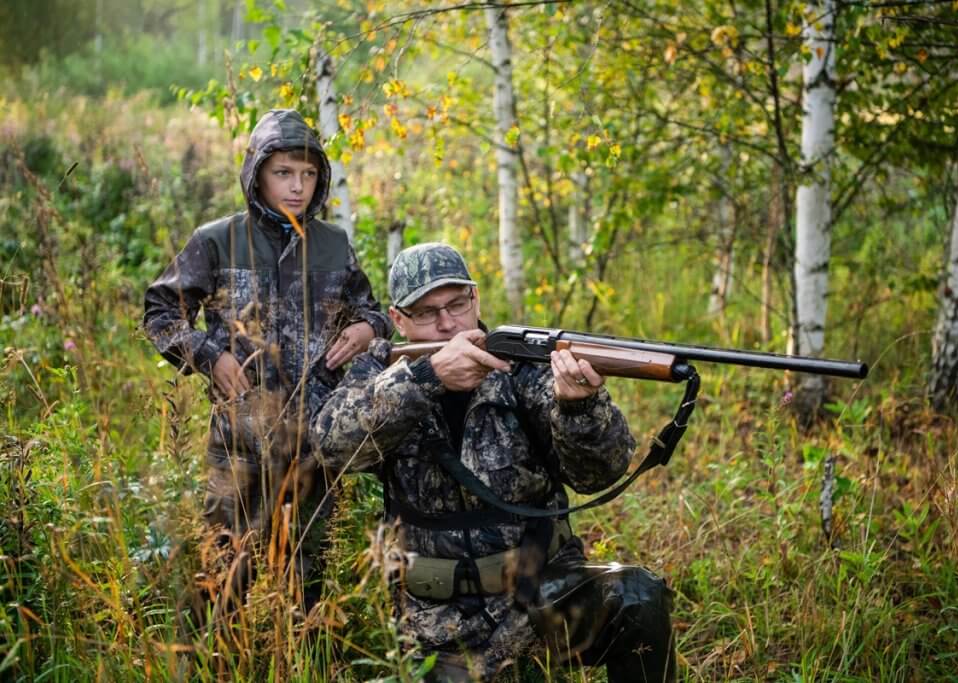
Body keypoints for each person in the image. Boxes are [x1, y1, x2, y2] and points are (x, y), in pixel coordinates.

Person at [312, 242, 676, 681]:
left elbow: (601, 473)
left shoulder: (524, 366)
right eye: (426, 313)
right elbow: (330, 444)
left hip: (543, 598)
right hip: (436, 624)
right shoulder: (381, 372)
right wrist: (427, 379)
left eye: (457, 304)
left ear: (476, 298)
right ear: (398, 321)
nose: (448, 323)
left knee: (638, 596)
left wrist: (579, 408)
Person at [143, 109, 392, 623]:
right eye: (283, 173)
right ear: (256, 173)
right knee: (221, 578)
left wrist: (367, 328)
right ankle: (214, 661)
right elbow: (161, 312)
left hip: (317, 446)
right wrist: (210, 357)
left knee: (309, 587)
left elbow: (373, 313)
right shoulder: (217, 240)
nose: (298, 187)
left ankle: (303, 661)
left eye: (308, 174)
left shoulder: (333, 245)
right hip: (239, 445)